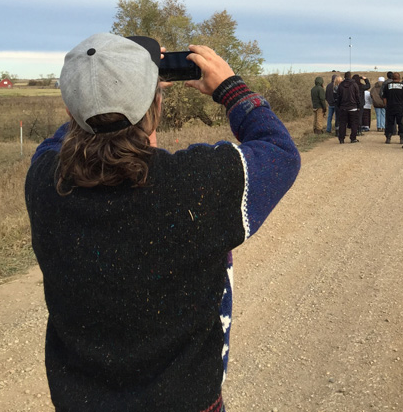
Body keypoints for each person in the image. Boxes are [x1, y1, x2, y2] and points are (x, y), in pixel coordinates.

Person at [25, 34, 300, 412]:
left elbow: (60, 140)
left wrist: (102, 86)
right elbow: (280, 152)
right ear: (157, 103)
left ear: (71, 112)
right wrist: (231, 88)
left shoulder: (45, 182)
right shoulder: (198, 185)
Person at [335, 70, 361, 143]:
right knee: (354, 123)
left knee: (342, 123)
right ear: (350, 76)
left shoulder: (341, 85)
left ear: (344, 77)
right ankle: (353, 138)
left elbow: (339, 96)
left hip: (343, 107)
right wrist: (358, 105)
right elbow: (357, 96)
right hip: (353, 107)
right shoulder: (354, 84)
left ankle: (341, 139)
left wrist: (339, 105)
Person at [381, 71, 403, 144]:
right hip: (400, 107)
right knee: (401, 123)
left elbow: (384, 97)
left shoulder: (387, 86)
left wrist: (385, 105)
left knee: (389, 123)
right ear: (399, 78)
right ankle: (402, 138)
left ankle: (388, 137)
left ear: (392, 78)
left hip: (390, 107)